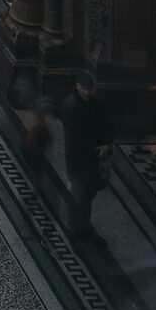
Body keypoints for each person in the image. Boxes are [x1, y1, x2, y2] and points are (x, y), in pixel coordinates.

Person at [60, 72, 114, 239]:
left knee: (88, 192)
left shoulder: (95, 105)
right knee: (78, 192)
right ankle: (74, 226)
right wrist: (97, 148)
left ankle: (83, 224)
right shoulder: (70, 107)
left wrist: (106, 145)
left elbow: (108, 125)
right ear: (77, 86)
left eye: (90, 88)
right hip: (77, 158)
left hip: (92, 157)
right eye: (84, 88)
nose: (88, 92)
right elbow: (75, 137)